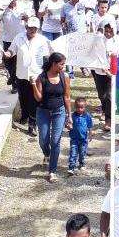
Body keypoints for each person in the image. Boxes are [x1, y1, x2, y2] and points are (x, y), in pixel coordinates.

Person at [5, 17, 52, 136]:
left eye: (35, 28)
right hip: (21, 73)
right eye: (30, 28)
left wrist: (44, 74)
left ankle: (32, 124)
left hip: (36, 75)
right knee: (23, 97)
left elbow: (46, 58)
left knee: (34, 100)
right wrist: (8, 54)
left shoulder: (43, 40)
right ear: (26, 27)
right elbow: (12, 50)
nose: (32, 30)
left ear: (38, 28)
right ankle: (25, 115)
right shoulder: (19, 37)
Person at [32, 52, 70, 182]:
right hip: (43, 111)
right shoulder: (41, 77)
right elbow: (38, 98)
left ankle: (52, 171)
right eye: (61, 64)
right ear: (54, 64)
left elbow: (67, 97)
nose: (63, 67)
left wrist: (69, 115)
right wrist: (33, 85)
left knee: (55, 141)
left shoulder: (64, 77)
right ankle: (47, 154)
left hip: (59, 112)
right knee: (43, 139)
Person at [0, 0, 25, 92]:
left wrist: (27, 18)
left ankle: (14, 84)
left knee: (17, 62)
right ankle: (13, 77)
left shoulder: (23, 6)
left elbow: (32, 20)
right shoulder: (3, 10)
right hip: (7, 40)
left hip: (20, 39)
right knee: (7, 62)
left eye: (13, 0)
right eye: (10, 0)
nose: (11, 1)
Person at [67, 96, 92, 175]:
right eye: (78, 107)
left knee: (82, 153)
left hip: (83, 139)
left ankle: (82, 164)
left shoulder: (87, 116)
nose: (79, 109)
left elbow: (90, 125)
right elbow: (68, 124)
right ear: (75, 107)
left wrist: (90, 134)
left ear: (85, 107)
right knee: (73, 153)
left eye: (82, 107)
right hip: (74, 139)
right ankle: (71, 167)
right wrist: (68, 126)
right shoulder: (72, 116)